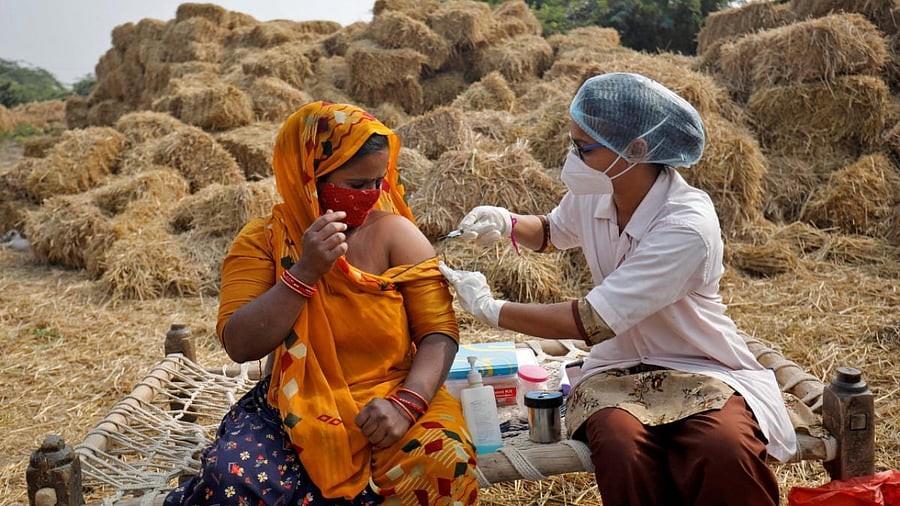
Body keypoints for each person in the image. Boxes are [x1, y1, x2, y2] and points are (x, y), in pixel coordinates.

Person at [438, 72, 796, 506]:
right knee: (621, 446)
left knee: (721, 448)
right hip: (616, 367)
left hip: (699, 363)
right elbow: (553, 232)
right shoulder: (599, 188)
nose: (573, 159)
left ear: (637, 149)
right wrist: (507, 223)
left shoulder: (685, 225)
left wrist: (492, 309)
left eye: (583, 148)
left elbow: (591, 322)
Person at [166, 101, 478, 506]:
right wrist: (305, 271)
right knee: (234, 480)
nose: (369, 197)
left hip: (394, 393)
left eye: (377, 182)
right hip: (297, 403)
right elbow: (240, 344)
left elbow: (439, 332)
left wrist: (407, 404)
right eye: (355, 185)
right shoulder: (263, 242)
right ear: (308, 177)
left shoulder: (397, 235)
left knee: (443, 461)